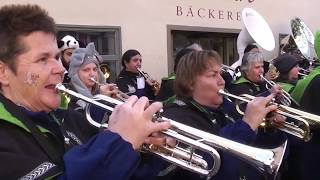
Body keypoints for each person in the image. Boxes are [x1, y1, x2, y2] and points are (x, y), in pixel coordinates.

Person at [0, 4, 171, 179]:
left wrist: (147, 147)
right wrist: (120, 140)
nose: (60, 69)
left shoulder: (68, 119)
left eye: (57, 57)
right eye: (43, 59)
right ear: (3, 72)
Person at [160, 50, 282, 180]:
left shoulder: (227, 107)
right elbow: (203, 170)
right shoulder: (175, 118)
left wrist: (268, 128)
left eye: (220, 74)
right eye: (213, 75)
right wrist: (246, 126)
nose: (222, 81)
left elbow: (255, 148)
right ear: (190, 83)